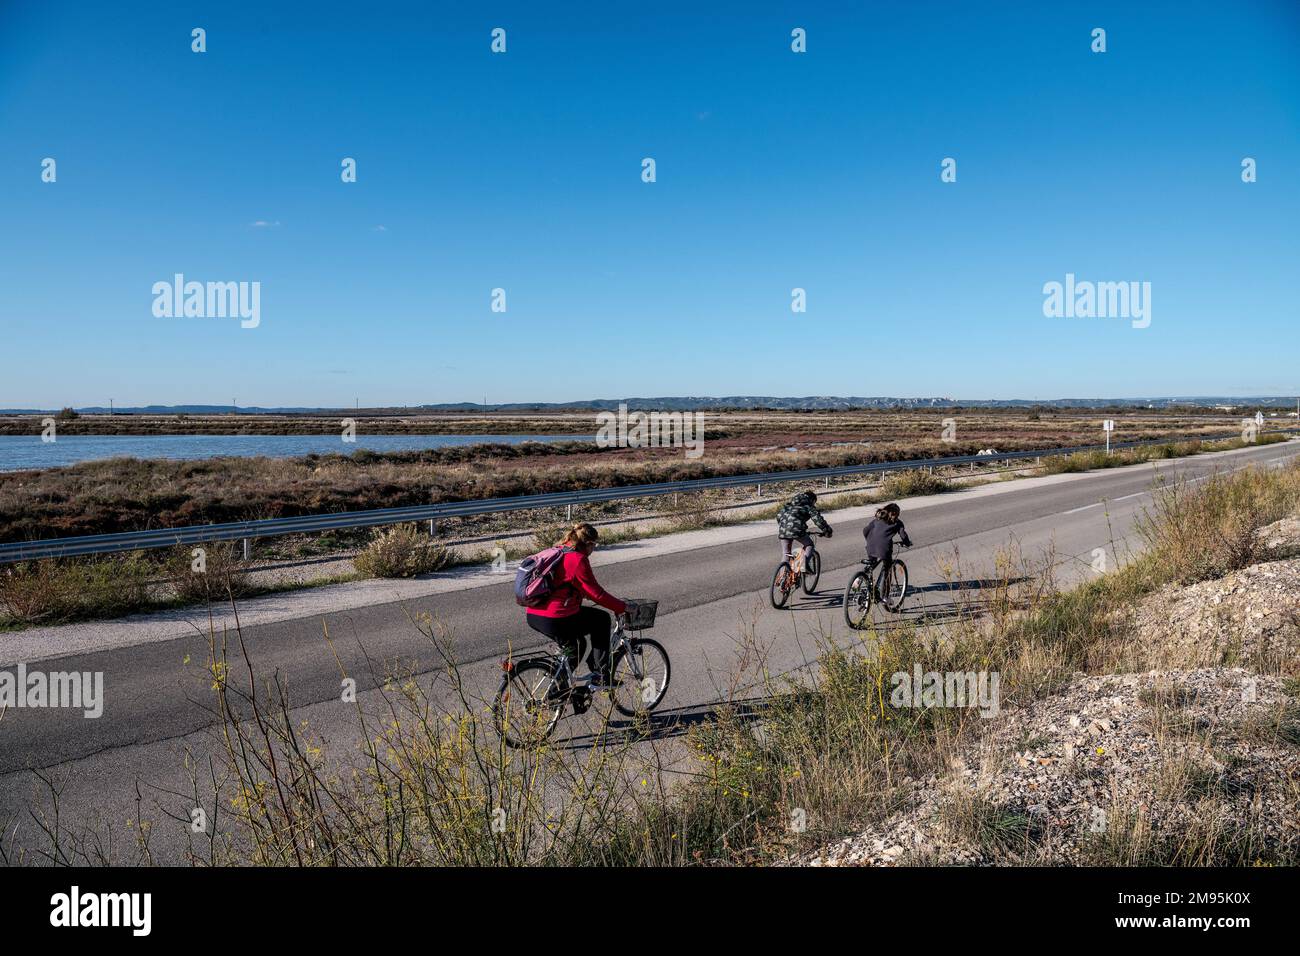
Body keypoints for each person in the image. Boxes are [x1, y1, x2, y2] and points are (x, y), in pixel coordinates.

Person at [525, 522, 628, 688]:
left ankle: (561, 685)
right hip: (555, 617)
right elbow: (597, 594)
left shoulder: (558, 550)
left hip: (535, 613)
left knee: (577, 645)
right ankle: (601, 674)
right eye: (594, 546)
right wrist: (623, 607)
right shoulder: (578, 559)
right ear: (588, 544)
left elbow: (569, 584)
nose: (593, 551)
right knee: (601, 619)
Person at [862, 502, 912, 599]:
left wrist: (870, 540)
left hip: (870, 546)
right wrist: (907, 543)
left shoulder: (877, 520)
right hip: (884, 549)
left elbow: (865, 530)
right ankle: (885, 596)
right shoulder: (898, 523)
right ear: (896, 514)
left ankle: (860, 581)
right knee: (887, 570)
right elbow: (903, 536)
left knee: (871, 564)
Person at [776, 490, 832, 567]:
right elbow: (818, 520)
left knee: (786, 554)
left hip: (783, 530)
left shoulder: (788, 506)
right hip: (797, 530)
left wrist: (785, 527)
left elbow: (779, 516)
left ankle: (782, 577)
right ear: (812, 500)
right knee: (809, 545)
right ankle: (802, 565)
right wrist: (827, 530)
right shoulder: (808, 506)